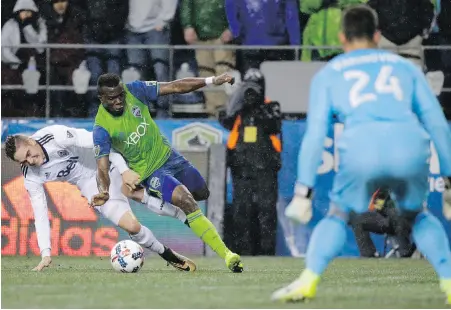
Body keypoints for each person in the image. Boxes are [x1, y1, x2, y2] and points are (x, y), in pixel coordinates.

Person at [271, 5, 451, 303]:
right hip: (408, 145)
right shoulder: (405, 68)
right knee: (418, 215)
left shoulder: (330, 73)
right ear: (378, 36)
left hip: (361, 147)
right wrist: (448, 177)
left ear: (342, 38)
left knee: (338, 213)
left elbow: (315, 135)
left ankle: (307, 280)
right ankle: (448, 282)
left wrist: (303, 191)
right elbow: (437, 124)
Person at [91, 73, 244, 273]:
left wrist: (210, 81)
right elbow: (102, 167)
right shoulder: (101, 128)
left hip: (171, 157)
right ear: (101, 99)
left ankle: (150, 198)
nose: (119, 100)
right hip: (149, 172)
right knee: (186, 200)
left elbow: (174, 87)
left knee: (201, 193)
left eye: (120, 95)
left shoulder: (135, 90)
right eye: (112, 98)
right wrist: (104, 190)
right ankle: (227, 255)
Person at [4, 125, 196, 272]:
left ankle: (185, 217)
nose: (30, 161)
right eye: (24, 160)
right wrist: (45, 252)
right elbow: (39, 212)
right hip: (90, 186)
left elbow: (101, 145)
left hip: (107, 162)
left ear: (31, 141)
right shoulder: (30, 174)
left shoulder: (56, 136)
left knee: (134, 191)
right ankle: (167, 254)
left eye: (29, 154)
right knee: (132, 227)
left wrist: (124, 170)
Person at [219, 68, 282, 256]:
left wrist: (259, 106)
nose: (252, 91)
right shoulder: (237, 107)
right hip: (241, 166)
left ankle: (267, 250)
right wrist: (238, 101)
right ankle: (242, 250)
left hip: (266, 167)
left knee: (267, 209)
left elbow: (274, 125)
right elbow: (225, 119)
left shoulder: (271, 106)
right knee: (241, 209)